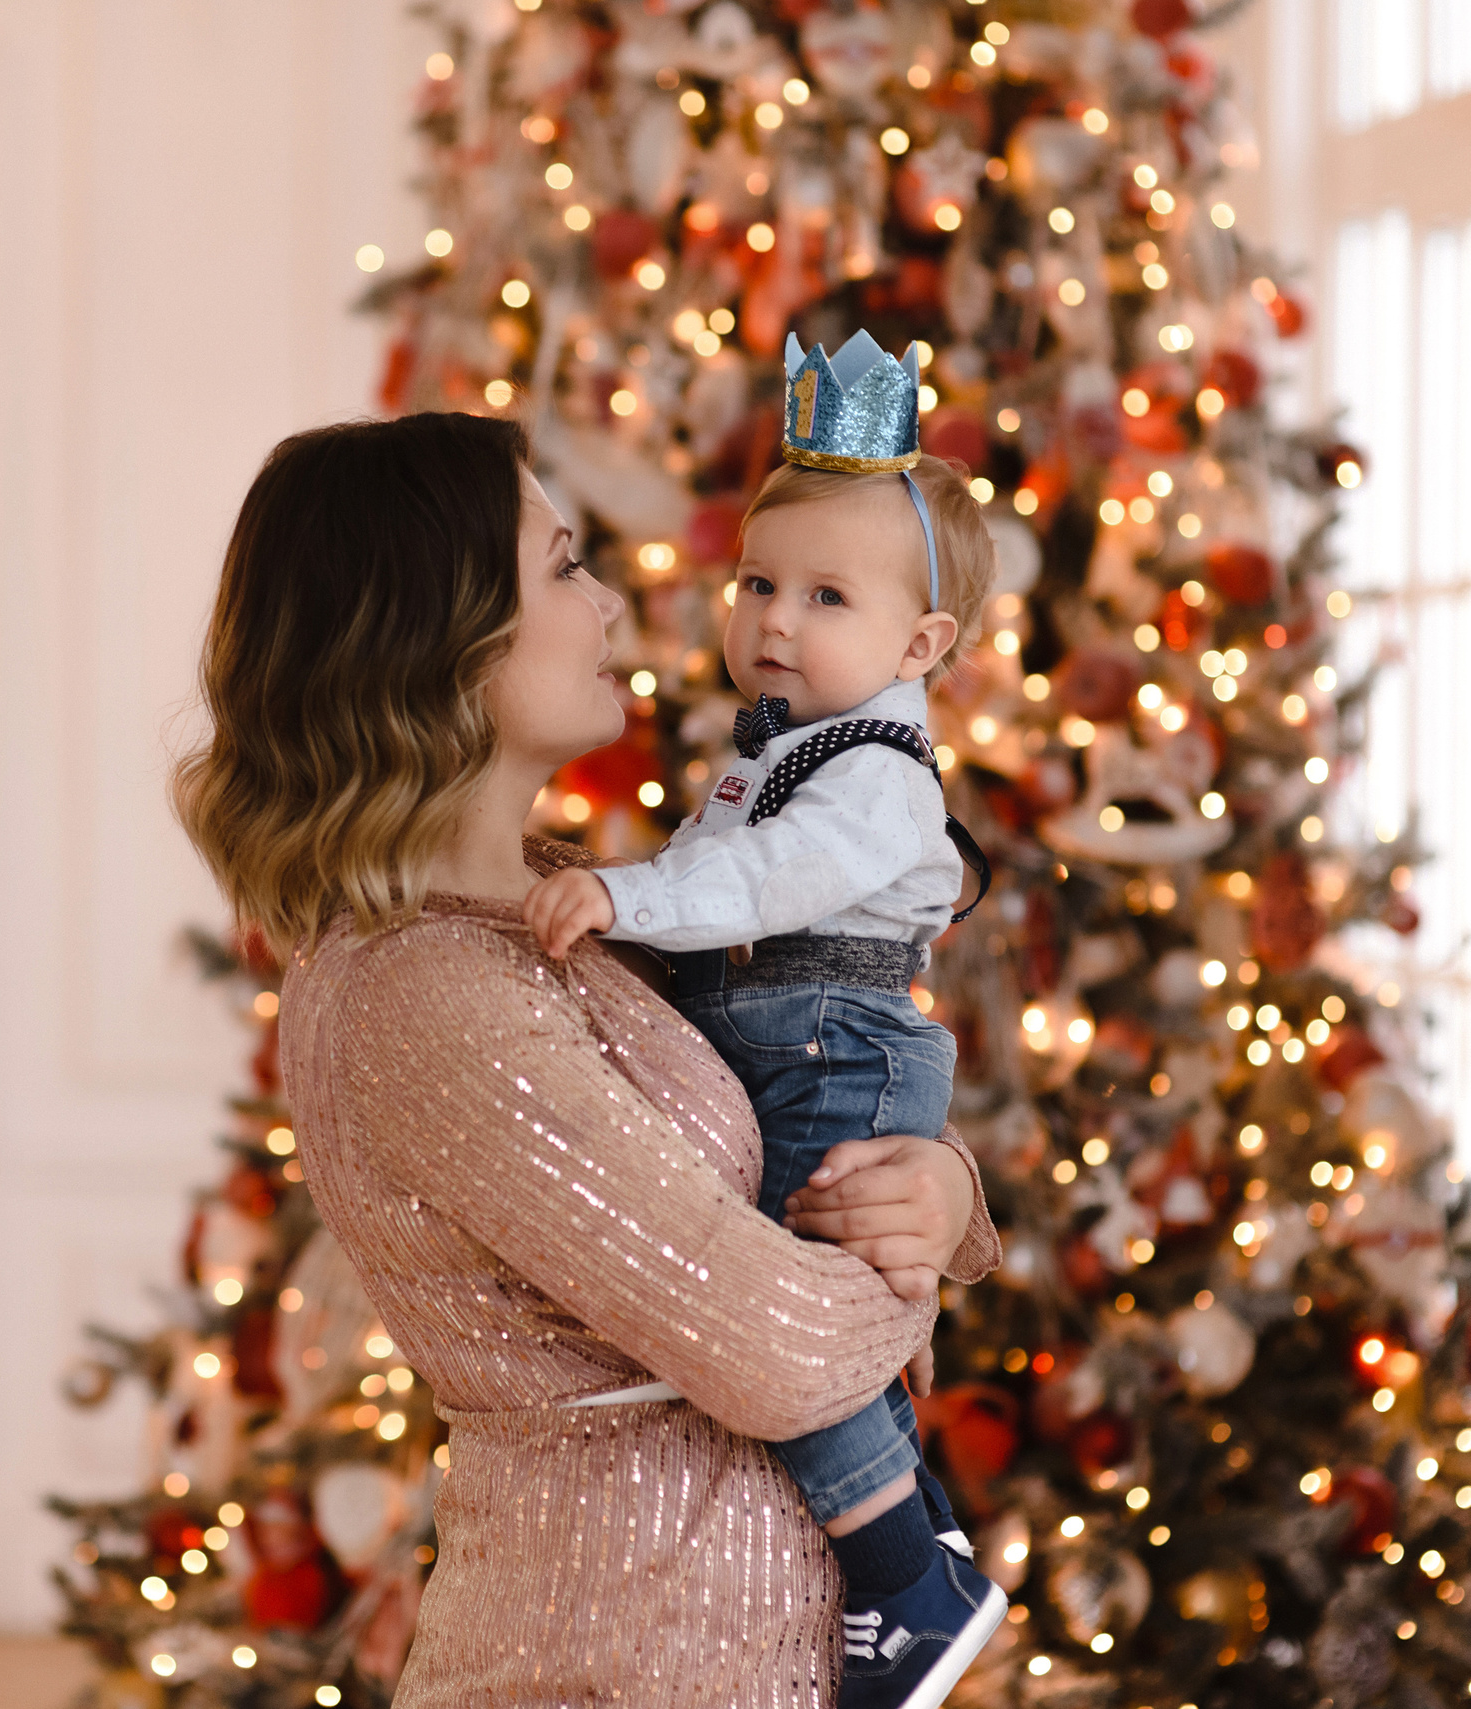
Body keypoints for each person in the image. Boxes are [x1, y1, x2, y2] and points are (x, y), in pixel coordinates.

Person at [172, 408, 1001, 1707]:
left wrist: (941, 1190)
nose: (612, 601)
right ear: (441, 641)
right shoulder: (426, 994)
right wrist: (911, 1262)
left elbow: (777, 1137)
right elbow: (779, 1345)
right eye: (564, 567)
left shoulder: (567, 908)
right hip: (613, 1665)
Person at [521, 332, 1005, 1705]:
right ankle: (926, 1535)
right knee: (817, 1290)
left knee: (794, 1312)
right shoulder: (783, 748)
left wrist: (624, 896)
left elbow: (761, 882)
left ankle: (907, 1585)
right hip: (789, 1030)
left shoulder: (879, 774)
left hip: (834, 1041)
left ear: (920, 645)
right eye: (758, 583)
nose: (775, 621)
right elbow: (715, 871)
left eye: (826, 596)